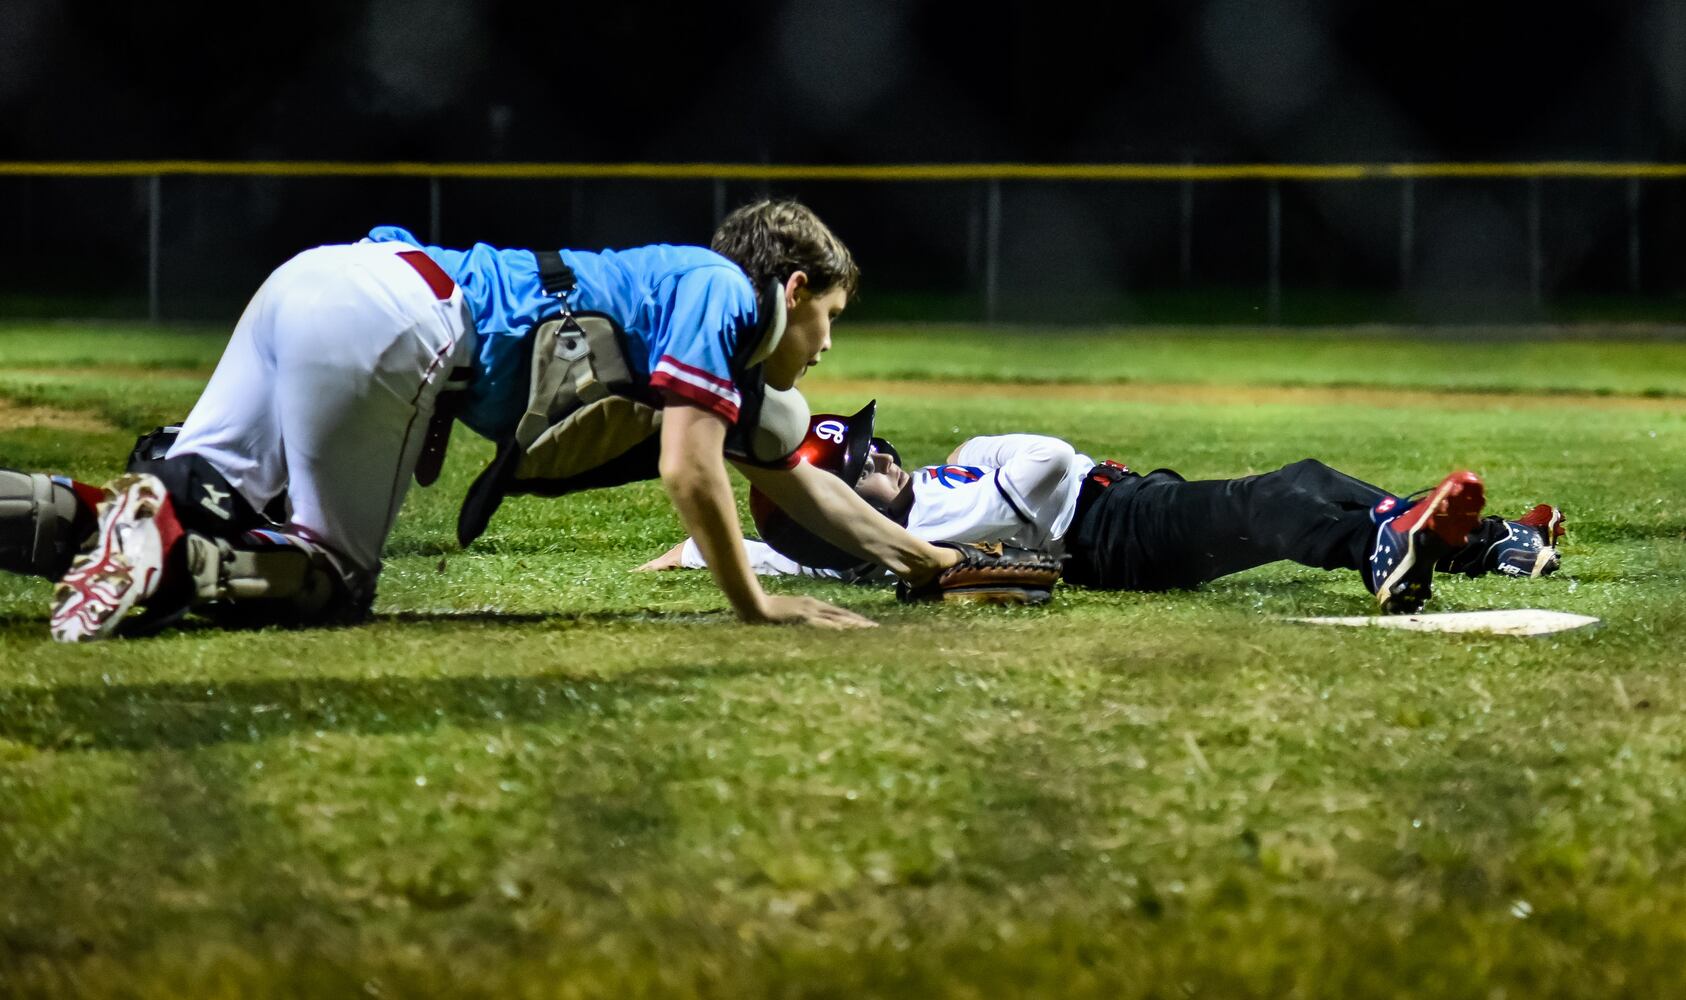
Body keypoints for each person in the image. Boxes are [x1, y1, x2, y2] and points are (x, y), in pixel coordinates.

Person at [34, 201, 963, 641]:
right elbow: (691, 466)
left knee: (198, 494)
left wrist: (927, 559)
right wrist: (757, 604)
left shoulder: (672, 288)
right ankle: (179, 563)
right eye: (829, 317)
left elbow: (787, 470)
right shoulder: (723, 293)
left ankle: (135, 520)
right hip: (408, 321)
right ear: (792, 288)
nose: (827, 345)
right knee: (328, 583)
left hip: (316, 278)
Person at [637, 402, 1567, 614]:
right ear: (827, 504)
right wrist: (978, 456)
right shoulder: (909, 530)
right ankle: (1386, 556)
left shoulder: (907, 503)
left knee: (1312, 479)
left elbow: (754, 552)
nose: (879, 452)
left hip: (1122, 502)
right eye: (859, 462)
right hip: (1112, 534)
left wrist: (686, 555)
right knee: (1283, 498)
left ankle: (1488, 546)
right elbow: (1041, 465)